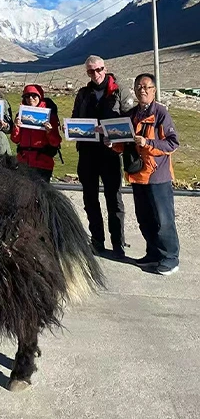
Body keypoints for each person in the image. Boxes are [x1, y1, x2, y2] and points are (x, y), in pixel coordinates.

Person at [112, 73, 180, 275]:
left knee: (163, 219)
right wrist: (113, 143)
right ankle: (153, 254)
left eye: (146, 87)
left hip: (158, 175)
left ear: (154, 90)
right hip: (138, 174)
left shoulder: (160, 113)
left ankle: (170, 258)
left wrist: (148, 143)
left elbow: (172, 143)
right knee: (145, 218)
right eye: (139, 87)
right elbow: (124, 145)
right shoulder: (132, 115)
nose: (142, 90)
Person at [72, 55, 135, 257]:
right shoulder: (83, 94)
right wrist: (76, 129)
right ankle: (97, 241)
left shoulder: (120, 91)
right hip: (88, 152)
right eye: (91, 71)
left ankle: (118, 243)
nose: (96, 74)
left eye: (99, 69)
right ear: (87, 73)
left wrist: (112, 135)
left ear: (105, 68)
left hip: (111, 153)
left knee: (113, 199)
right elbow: (75, 119)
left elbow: (131, 121)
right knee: (90, 198)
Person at [11, 84, 61, 181]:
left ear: (40, 97)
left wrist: (50, 132)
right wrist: (16, 127)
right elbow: (15, 140)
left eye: (34, 96)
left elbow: (56, 142)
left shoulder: (50, 116)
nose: (30, 99)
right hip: (23, 162)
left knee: (40, 194)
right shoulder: (20, 114)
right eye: (27, 96)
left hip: (43, 163)